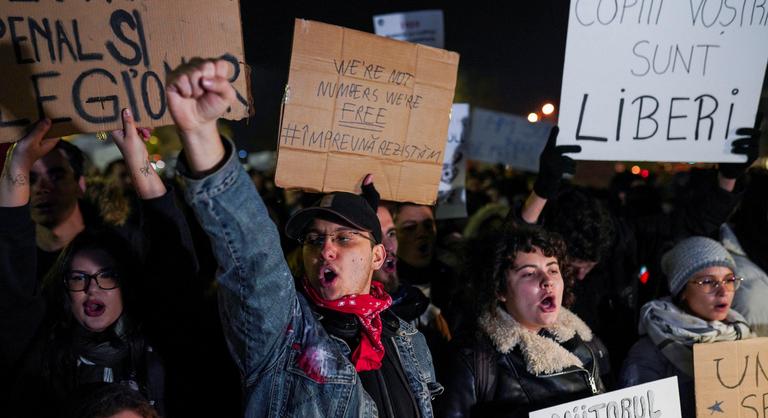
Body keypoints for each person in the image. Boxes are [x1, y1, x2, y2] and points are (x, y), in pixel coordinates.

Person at [166, 58, 441, 417]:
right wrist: (201, 134)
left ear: (377, 256)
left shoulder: (407, 338)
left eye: (344, 239)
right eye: (314, 240)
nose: (326, 249)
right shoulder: (287, 336)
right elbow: (254, 258)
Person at [0, 110, 198, 418]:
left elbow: (174, 263)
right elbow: (11, 266)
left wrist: (137, 159)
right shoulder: (42, 355)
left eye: (107, 276)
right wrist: (18, 162)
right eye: (78, 278)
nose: (92, 288)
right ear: (64, 292)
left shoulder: (161, 343)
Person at [437, 225, 606, 418]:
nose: (547, 281)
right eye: (529, 273)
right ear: (499, 289)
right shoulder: (475, 361)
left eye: (552, 270)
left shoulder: (585, 340)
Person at [619, 236, 754, 417]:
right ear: (682, 291)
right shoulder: (648, 354)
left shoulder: (744, 336)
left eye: (729, 280)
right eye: (707, 281)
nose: (723, 291)